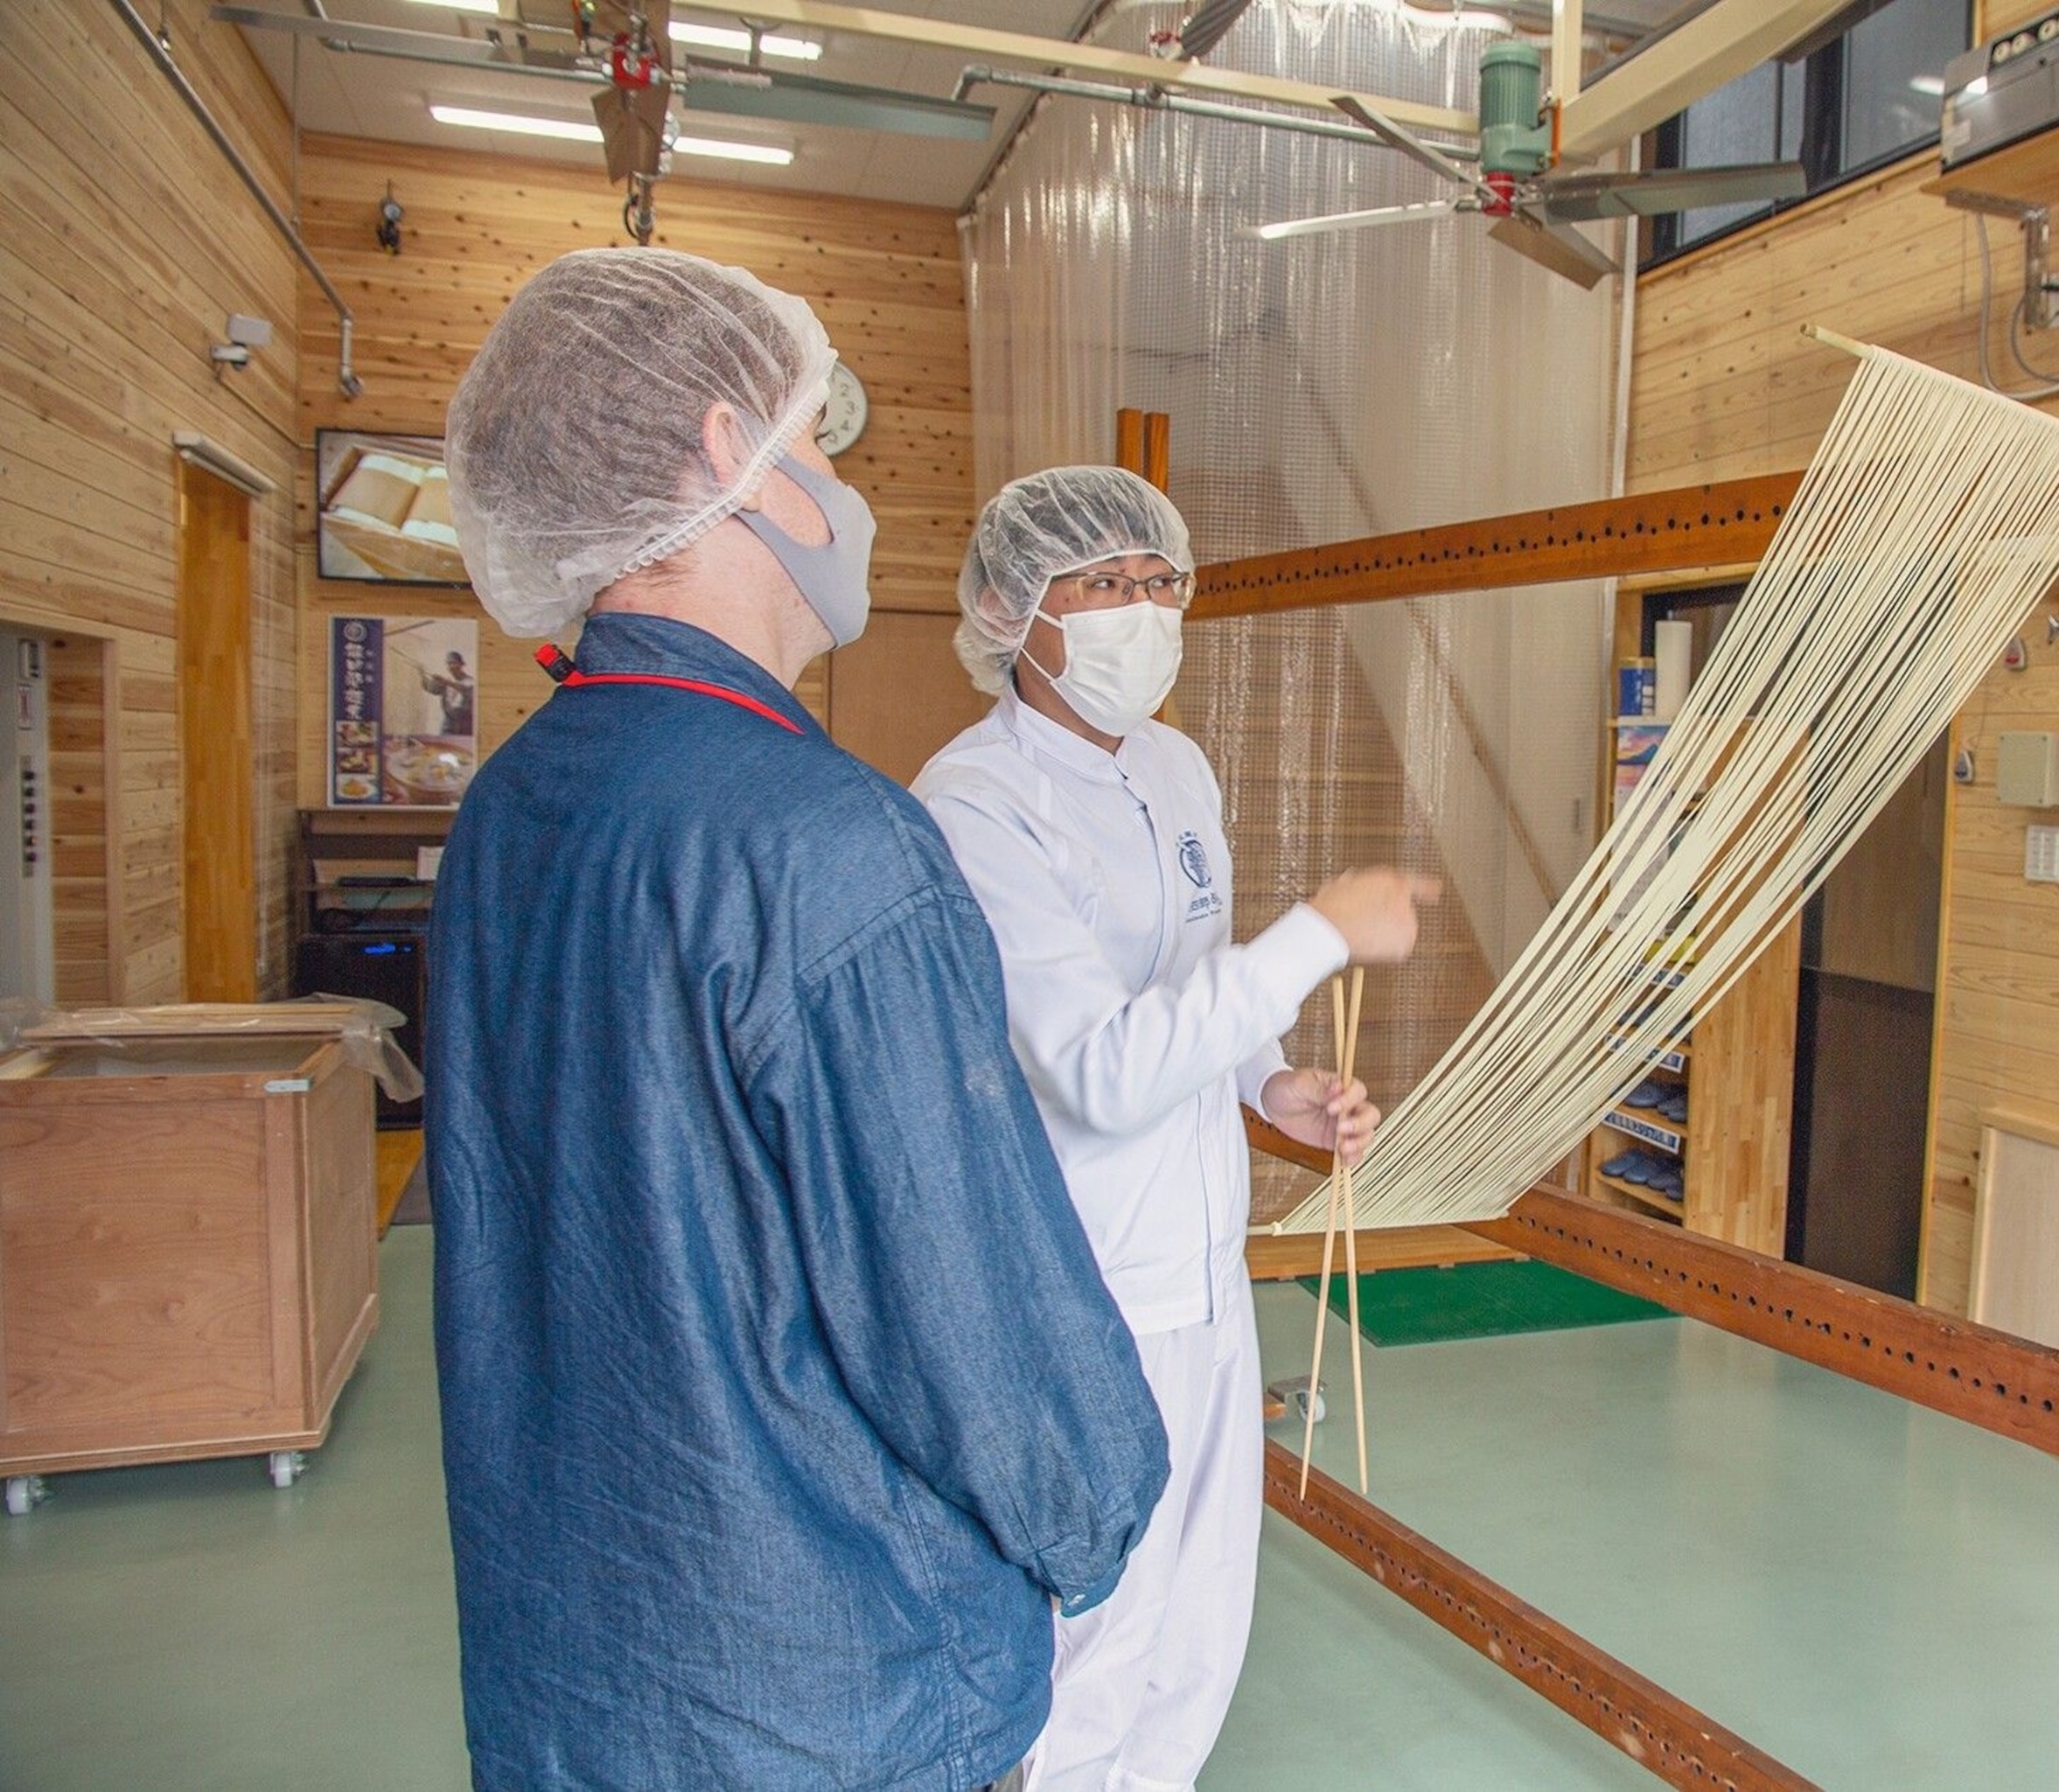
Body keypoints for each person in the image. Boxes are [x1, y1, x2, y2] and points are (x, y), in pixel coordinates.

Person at [429, 249, 1169, 1792]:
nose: (834, 486)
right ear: (722, 452)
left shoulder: (515, 804)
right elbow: (969, 1308)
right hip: (831, 1683)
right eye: (812, 442)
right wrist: (1098, 1504)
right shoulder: (828, 844)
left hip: (578, 1662)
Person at [916, 466, 1438, 1792]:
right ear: (1010, 608)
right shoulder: (972, 803)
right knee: (1093, 1638)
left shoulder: (1178, 764)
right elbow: (1097, 1068)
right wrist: (1319, 932)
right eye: (1102, 584)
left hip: (1206, 1275)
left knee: (1203, 1624)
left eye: (1161, 581)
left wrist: (1279, 1092)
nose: (1142, 609)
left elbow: (1201, 988)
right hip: (1081, 1290)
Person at [421, 648, 475, 736]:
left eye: (454, 663)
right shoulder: (444, 682)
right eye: (449, 664)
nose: (451, 666)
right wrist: (422, 673)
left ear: (461, 664)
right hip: (449, 723)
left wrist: (446, 682)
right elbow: (430, 688)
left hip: (466, 724)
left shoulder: (470, 681)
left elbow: (465, 690)